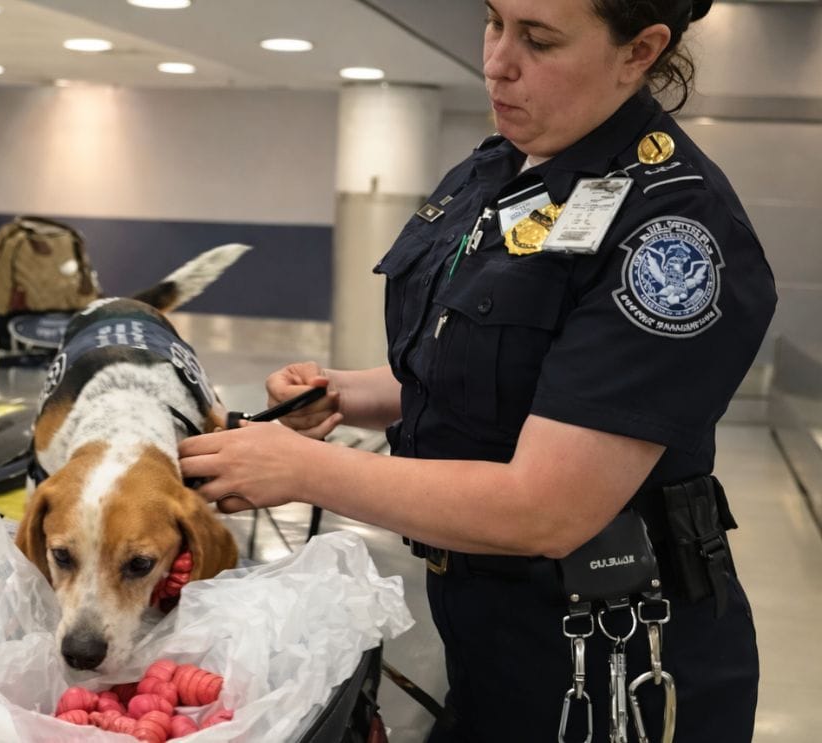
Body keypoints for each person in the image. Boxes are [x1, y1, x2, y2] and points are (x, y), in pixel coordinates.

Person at [179, 0, 774, 740]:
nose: (496, 60)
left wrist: (300, 469)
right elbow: (490, 371)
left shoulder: (670, 230)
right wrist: (345, 394)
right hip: (486, 632)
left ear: (639, 51)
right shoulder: (500, 169)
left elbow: (547, 506)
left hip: (610, 662)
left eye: (539, 39)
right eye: (494, 21)